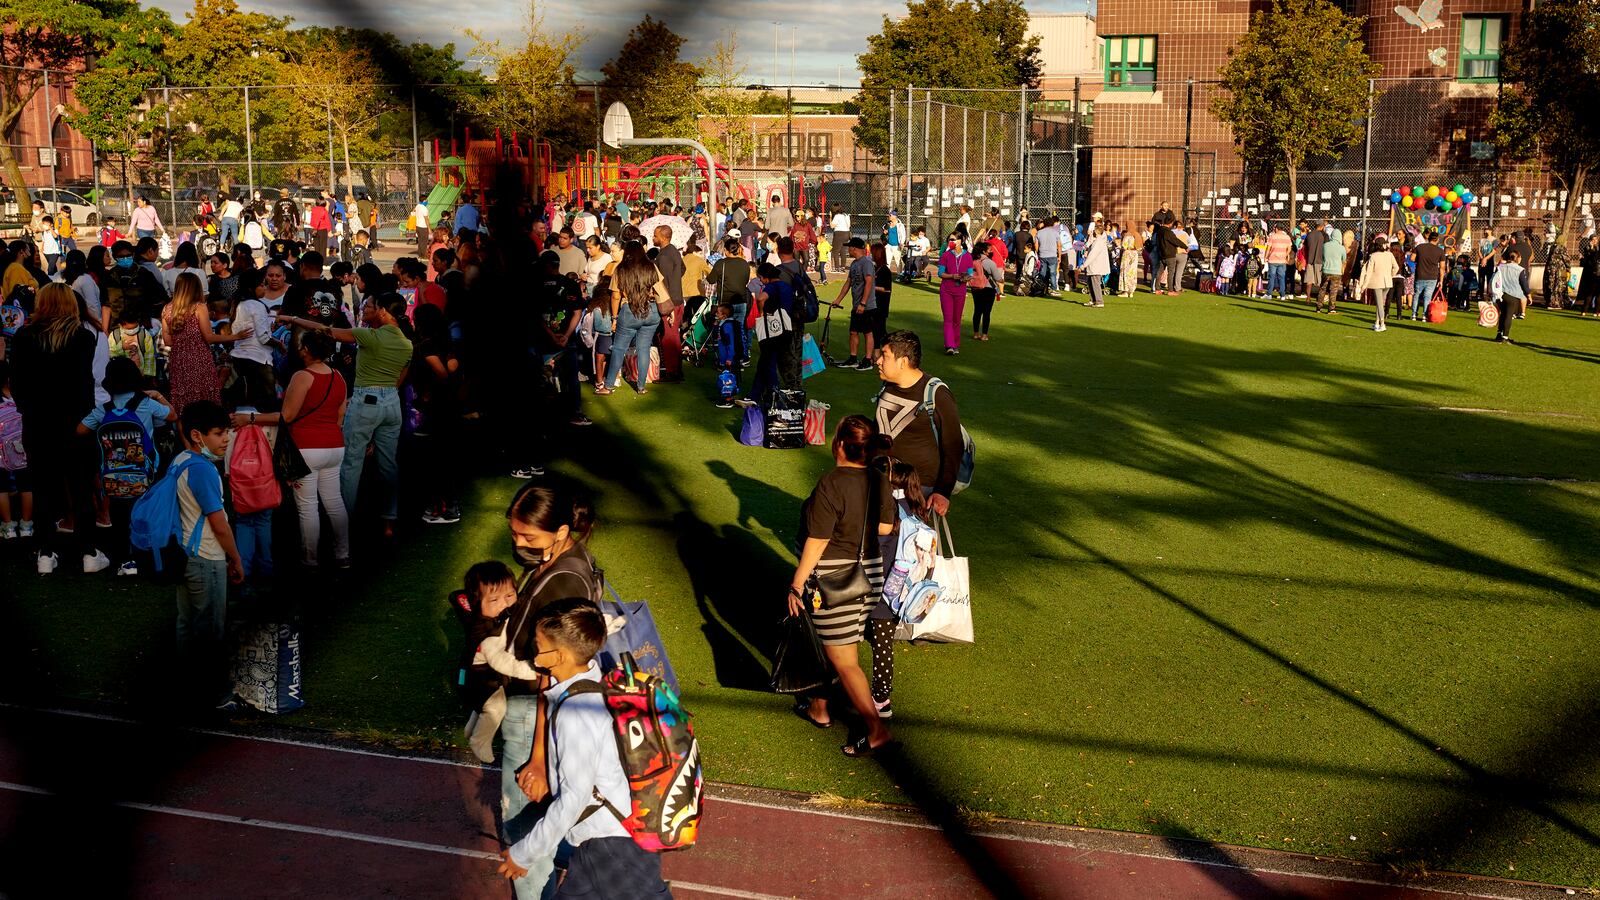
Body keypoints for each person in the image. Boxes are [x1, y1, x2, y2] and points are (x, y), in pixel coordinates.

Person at [495, 598, 673, 897]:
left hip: (613, 848)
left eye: (538, 644)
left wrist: (525, 853)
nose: (534, 651)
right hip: (605, 842)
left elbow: (573, 797)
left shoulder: (575, 712)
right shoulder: (594, 683)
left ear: (560, 655)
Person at [487, 481, 602, 900]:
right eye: (515, 533)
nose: (518, 543)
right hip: (542, 710)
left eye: (528, 536)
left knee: (523, 830)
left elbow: (551, 675)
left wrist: (537, 758)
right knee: (551, 821)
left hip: (532, 713)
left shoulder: (563, 579)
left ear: (559, 531)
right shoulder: (567, 558)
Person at [788, 415, 895, 758]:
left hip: (834, 581)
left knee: (845, 658)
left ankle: (875, 730)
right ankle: (820, 708)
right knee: (836, 645)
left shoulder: (831, 484)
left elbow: (817, 541)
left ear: (839, 445)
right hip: (870, 574)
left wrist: (796, 584)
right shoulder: (877, 479)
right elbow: (884, 527)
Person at [279, 291, 411, 541]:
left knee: (351, 463)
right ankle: (389, 520)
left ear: (383, 311)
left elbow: (324, 329)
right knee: (388, 464)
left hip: (366, 400)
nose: (367, 308)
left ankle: (342, 523)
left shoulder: (369, 335)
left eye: (371, 305)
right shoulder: (407, 343)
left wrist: (294, 319)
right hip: (392, 404)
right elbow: (399, 381)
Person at [229, 330, 349, 568]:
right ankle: (342, 554)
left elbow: (288, 416)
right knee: (334, 501)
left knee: (308, 507)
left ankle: (310, 559)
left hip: (307, 447)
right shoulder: (339, 376)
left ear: (305, 350)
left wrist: (251, 418)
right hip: (334, 445)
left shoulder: (302, 377)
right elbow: (340, 415)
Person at [10, 283, 107, 574]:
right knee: (80, 488)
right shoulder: (82, 338)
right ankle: (88, 552)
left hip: (38, 425)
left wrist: (30, 411)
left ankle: (45, 553)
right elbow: (83, 386)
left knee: (43, 490)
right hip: (76, 424)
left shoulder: (25, 337)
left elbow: (18, 386)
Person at [873, 330, 963, 519]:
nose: (878, 360)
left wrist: (942, 492)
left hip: (917, 490)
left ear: (903, 361)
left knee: (905, 545)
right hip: (881, 480)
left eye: (885, 355)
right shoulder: (888, 385)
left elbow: (954, 446)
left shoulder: (936, 394)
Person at [451, 559, 519, 764]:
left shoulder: (480, 615)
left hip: (475, 675)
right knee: (496, 707)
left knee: (483, 703)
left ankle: (471, 730)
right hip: (478, 677)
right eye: (494, 600)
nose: (505, 604)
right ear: (476, 603)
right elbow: (501, 656)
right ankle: (480, 741)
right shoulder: (483, 627)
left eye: (509, 595)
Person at [161, 272, 234, 414]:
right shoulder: (199, 307)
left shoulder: (166, 309)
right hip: (199, 359)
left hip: (178, 362)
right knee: (204, 401)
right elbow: (209, 337)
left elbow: (168, 341)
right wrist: (236, 336)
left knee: (183, 402)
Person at [598, 242, 665, 396]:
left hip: (629, 311)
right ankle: (641, 387)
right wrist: (669, 311)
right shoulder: (651, 267)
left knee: (619, 349)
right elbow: (661, 289)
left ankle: (608, 386)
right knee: (644, 349)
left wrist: (614, 317)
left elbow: (615, 296)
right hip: (651, 310)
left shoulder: (621, 269)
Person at [227, 259, 290, 412]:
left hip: (240, 357)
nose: (264, 288)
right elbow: (263, 337)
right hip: (258, 360)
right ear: (251, 288)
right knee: (267, 403)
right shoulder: (257, 306)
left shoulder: (240, 304)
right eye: (261, 285)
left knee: (246, 401)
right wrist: (279, 344)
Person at [831, 238, 877, 370]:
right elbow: (848, 283)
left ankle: (868, 360)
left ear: (854, 248)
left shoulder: (866, 263)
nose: (848, 249)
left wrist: (863, 303)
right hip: (856, 305)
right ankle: (853, 358)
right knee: (853, 332)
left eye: (849, 247)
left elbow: (869, 282)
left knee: (867, 332)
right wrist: (838, 299)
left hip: (867, 305)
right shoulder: (854, 264)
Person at [652, 225, 686, 383]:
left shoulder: (664, 256)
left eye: (655, 235)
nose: (653, 238)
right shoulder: (673, 251)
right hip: (677, 297)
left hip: (670, 301)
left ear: (663, 237)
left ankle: (673, 372)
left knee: (669, 338)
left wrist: (668, 295)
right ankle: (675, 370)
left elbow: (661, 282)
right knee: (672, 336)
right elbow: (682, 269)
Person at [936, 233, 973, 356]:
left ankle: (956, 344)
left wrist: (965, 278)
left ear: (960, 241)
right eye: (949, 240)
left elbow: (970, 273)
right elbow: (940, 273)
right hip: (946, 290)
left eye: (953, 239)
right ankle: (950, 345)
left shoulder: (967, 256)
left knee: (957, 319)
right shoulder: (945, 255)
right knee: (948, 319)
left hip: (960, 291)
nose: (951, 242)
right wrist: (952, 276)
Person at [1357, 234, 1399, 333]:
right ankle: (1377, 323)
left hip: (1377, 282)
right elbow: (1396, 268)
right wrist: (1390, 275)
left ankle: (1382, 324)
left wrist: (1364, 285)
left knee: (1379, 304)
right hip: (1388, 282)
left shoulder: (1373, 256)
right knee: (1380, 303)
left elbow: (1369, 272)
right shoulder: (1389, 254)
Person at [1409, 231, 1448, 321]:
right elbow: (1442, 267)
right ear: (1437, 240)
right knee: (1427, 296)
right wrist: (1441, 280)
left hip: (1420, 274)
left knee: (1417, 295)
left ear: (1428, 238)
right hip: (1432, 277)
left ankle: (1414, 314)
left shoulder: (1419, 247)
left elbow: (1412, 258)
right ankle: (1424, 315)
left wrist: (1420, 261)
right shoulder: (1440, 251)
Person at [1491, 249, 1527, 344]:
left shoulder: (1500, 267)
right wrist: (1528, 294)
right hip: (1513, 295)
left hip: (1500, 294)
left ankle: (1499, 334)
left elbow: (1494, 279)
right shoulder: (1520, 270)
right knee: (1508, 315)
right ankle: (1505, 336)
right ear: (1517, 258)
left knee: (1503, 314)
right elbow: (1524, 284)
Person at [969, 241, 1003, 337]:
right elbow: (997, 278)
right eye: (990, 250)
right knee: (986, 312)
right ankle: (984, 335)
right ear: (984, 251)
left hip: (975, 287)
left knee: (977, 310)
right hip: (988, 288)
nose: (991, 251)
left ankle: (976, 333)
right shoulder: (990, 262)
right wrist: (1002, 280)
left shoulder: (973, 261)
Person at [1317, 228, 1346, 315]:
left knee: (1322, 289)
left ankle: (1318, 307)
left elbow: (1322, 257)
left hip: (1326, 270)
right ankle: (1331, 308)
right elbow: (1344, 260)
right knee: (1333, 291)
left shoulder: (1325, 245)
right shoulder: (1341, 248)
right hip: (1336, 272)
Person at [1081, 223, 1110, 309]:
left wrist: (1084, 265)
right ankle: (1093, 300)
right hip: (1094, 266)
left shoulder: (1099, 242)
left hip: (1096, 266)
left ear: (1096, 231)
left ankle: (1099, 301)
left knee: (1095, 284)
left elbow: (1092, 255)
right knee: (1090, 283)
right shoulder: (1097, 240)